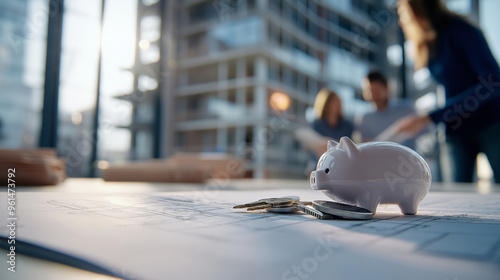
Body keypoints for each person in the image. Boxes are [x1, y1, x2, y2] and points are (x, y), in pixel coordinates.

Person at [393, 0, 500, 183]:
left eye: (403, 14)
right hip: (457, 129)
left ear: (417, 11)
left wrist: (430, 117)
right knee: (459, 197)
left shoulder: (462, 32)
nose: (400, 22)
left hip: (490, 124)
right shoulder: (430, 45)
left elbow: (493, 82)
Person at [355, 71, 417, 149]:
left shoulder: (407, 109)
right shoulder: (363, 119)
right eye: (368, 91)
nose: (372, 95)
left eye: (376, 91)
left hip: (408, 158)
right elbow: (362, 146)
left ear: (386, 88)